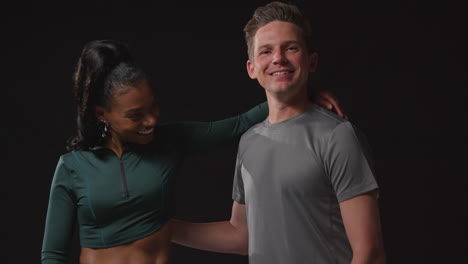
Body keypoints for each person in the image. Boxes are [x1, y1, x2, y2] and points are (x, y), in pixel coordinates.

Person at [40, 39, 344, 264]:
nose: (152, 120)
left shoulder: (170, 141)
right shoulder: (73, 167)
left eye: (153, 106)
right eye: (136, 115)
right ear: (101, 113)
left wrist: (300, 96)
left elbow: (238, 124)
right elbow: (53, 255)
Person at [171, 2, 386, 264]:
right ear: (252, 68)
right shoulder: (250, 141)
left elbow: (370, 254)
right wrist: (160, 228)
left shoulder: (338, 136)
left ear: (312, 61)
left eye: (291, 48)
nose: (278, 58)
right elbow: (242, 236)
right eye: (266, 51)